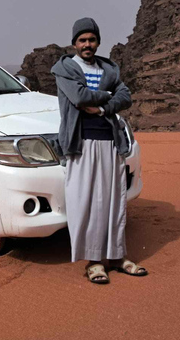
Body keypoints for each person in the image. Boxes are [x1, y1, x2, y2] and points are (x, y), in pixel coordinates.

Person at [51, 17, 147, 284]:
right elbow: (80, 98)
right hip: (81, 143)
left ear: (98, 42)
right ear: (74, 43)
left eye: (92, 39)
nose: (87, 44)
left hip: (111, 141)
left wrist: (103, 106)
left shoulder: (110, 69)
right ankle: (94, 262)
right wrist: (108, 94)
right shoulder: (65, 69)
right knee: (88, 201)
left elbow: (125, 96)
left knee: (114, 200)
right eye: (82, 40)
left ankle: (117, 257)